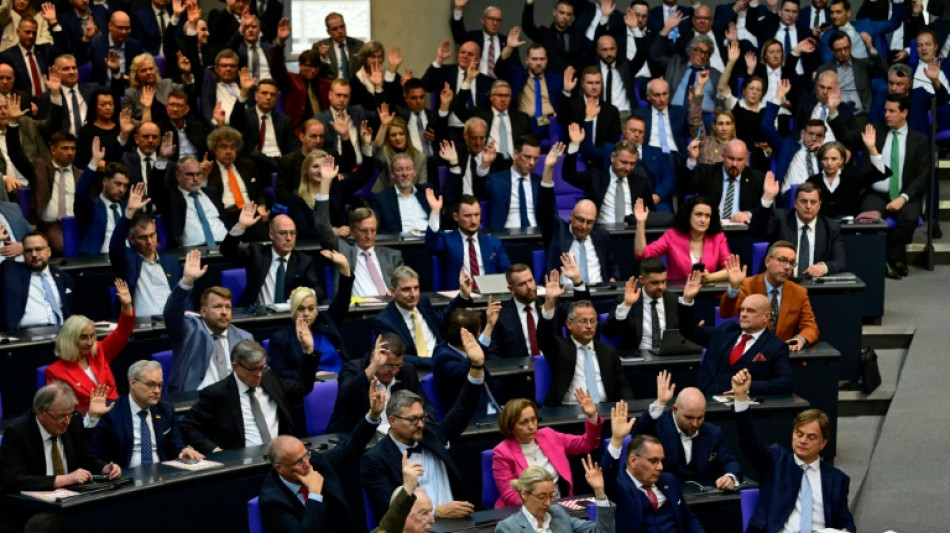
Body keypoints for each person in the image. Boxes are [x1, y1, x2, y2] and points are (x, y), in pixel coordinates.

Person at [360, 328, 486, 520]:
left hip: (460, 526)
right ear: (392, 421)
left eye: (422, 417)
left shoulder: (433, 434)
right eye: (412, 420)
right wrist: (436, 512)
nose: (420, 424)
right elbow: (387, 512)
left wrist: (476, 366)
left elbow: (463, 408)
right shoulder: (375, 460)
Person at [730, 369, 856, 533]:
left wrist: (846, 530)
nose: (803, 441)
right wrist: (741, 398)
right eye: (799, 434)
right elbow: (749, 441)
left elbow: (847, 522)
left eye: (811, 437)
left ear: (823, 443)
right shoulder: (775, 462)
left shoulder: (837, 479)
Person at [829, 93, 931, 279]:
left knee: (909, 219)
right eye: (885, 110)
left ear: (904, 113)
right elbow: (845, 136)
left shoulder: (920, 140)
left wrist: (904, 198)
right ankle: (891, 261)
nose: (886, 114)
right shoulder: (875, 130)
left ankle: (890, 257)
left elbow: (922, 175)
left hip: (903, 194)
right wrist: (834, 111)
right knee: (868, 221)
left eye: (892, 111)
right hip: (875, 193)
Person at [258, 385, 385, 532]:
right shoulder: (273, 502)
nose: (307, 464)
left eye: (306, 455)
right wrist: (314, 495)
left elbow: (351, 448)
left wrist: (373, 416)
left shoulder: (315, 462)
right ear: (279, 468)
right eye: (299, 462)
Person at [180, 338, 317, 455]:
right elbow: (187, 426)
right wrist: (214, 450)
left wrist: (308, 351)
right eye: (253, 369)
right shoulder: (216, 394)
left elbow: (302, 387)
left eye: (262, 367)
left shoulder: (269, 379)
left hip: (279, 457)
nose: (259, 374)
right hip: (241, 464)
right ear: (236, 367)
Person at [679, 269, 793, 395]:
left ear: (766, 317)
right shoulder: (726, 330)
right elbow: (688, 331)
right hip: (705, 398)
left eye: (750, 311)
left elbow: (786, 382)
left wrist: (748, 387)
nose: (743, 314)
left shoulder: (775, 346)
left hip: (740, 403)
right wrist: (687, 300)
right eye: (742, 310)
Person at [0, 383, 121, 494]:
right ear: (40, 412)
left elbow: (86, 457)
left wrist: (105, 468)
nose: (67, 421)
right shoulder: (17, 432)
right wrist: (63, 479)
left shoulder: (74, 421)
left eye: (70, 414)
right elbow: (14, 479)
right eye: (61, 416)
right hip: (34, 504)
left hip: (72, 497)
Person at [538, 268, 633, 406]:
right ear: (569, 324)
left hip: (604, 410)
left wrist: (627, 406)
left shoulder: (608, 351)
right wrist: (550, 303)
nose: (589, 326)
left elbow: (622, 386)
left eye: (592, 321)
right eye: (583, 321)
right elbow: (543, 336)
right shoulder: (559, 348)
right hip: (570, 412)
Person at [630, 371, 741, 489]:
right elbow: (637, 437)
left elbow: (730, 462)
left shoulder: (713, 433)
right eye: (689, 417)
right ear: (674, 409)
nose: (695, 423)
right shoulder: (659, 427)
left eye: (700, 417)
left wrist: (730, 477)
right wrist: (660, 403)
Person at [163, 250, 254, 392]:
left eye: (228, 307)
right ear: (203, 312)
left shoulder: (245, 338)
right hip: (196, 402)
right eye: (218, 307)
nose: (224, 312)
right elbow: (171, 314)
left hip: (234, 402)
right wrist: (187, 281)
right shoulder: (189, 330)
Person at [491, 394, 604, 508]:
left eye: (533, 419)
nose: (531, 426)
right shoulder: (502, 452)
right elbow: (511, 496)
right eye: (524, 422)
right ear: (511, 427)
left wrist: (592, 416)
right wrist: (544, 507)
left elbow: (586, 444)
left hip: (559, 508)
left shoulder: (549, 435)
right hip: (524, 513)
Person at [89, 360, 204, 469]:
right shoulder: (113, 411)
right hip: (125, 476)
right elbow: (92, 450)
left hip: (162, 474)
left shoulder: (165, 410)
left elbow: (176, 444)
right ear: (133, 383)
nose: (157, 391)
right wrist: (93, 418)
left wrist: (183, 450)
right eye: (150, 384)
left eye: (160, 385)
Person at [45, 278, 134, 414]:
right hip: (88, 422)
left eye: (92, 335)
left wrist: (127, 306)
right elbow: (60, 410)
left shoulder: (100, 351)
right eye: (83, 337)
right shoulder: (55, 372)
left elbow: (123, 333)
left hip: (117, 414)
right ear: (70, 339)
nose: (90, 342)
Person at [538, 143, 620, 284]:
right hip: (566, 298)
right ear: (571, 216)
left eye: (589, 222)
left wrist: (612, 279)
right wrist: (549, 168)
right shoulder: (558, 233)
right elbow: (545, 209)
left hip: (597, 296)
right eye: (580, 220)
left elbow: (612, 266)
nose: (584, 226)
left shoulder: (602, 236)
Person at [266, 250, 352, 378]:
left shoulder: (327, 321)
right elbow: (279, 374)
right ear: (293, 311)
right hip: (311, 389)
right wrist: (312, 376)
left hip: (342, 380)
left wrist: (344, 267)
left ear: (317, 309)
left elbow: (343, 298)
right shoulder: (281, 338)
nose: (306, 313)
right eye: (301, 309)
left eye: (311, 308)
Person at [328, 333, 435, 435]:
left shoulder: (407, 371)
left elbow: (424, 405)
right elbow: (345, 397)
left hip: (396, 437)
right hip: (356, 437)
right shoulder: (352, 369)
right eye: (388, 366)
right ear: (373, 357)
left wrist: (425, 421)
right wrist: (373, 367)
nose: (394, 371)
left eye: (398, 365)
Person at [720, 244, 820, 350]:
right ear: (767, 261)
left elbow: (810, 327)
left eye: (792, 263)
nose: (787, 267)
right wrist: (734, 288)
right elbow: (726, 313)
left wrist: (800, 339)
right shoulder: (747, 285)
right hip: (750, 354)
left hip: (781, 356)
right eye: (782, 260)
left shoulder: (799, 292)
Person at [601, 433, 706, 533]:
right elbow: (606, 477)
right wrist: (616, 441)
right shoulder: (619, 487)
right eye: (653, 461)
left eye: (661, 461)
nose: (660, 467)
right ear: (633, 460)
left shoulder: (669, 480)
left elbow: (688, 518)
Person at [220, 206, 323, 307]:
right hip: (257, 316)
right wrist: (241, 226)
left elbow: (318, 290)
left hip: (288, 317)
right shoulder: (257, 253)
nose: (288, 238)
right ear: (271, 234)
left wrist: (302, 296)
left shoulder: (304, 261)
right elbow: (227, 250)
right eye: (283, 233)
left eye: (292, 233)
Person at [108, 186, 182, 317]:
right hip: (144, 330)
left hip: (173, 325)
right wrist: (129, 213)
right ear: (132, 239)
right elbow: (115, 246)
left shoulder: (172, 262)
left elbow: (183, 298)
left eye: (152, 235)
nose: (149, 242)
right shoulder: (127, 261)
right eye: (143, 237)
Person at [372, 265, 475, 358]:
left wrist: (463, 295)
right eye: (406, 289)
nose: (413, 294)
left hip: (443, 359)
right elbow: (399, 357)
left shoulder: (422, 302)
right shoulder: (384, 321)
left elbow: (441, 321)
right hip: (417, 370)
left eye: (416, 288)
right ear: (393, 292)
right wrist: (434, 362)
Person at [753, 178, 848, 278]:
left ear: (819, 205)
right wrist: (767, 198)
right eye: (803, 201)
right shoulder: (780, 219)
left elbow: (840, 261)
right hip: (781, 283)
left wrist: (823, 267)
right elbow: (757, 231)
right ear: (795, 203)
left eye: (813, 202)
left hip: (815, 287)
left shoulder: (831, 227)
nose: (808, 206)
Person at [563, 124, 655, 225]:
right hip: (603, 234)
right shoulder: (595, 177)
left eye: (632, 164)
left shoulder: (640, 182)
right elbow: (569, 175)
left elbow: (651, 212)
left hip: (631, 233)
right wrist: (574, 145)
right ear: (612, 157)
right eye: (624, 162)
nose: (628, 168)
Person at [424, 193, 512, 291]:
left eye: (477, 215)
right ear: (456, 217)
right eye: (468, 216)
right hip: (458, 299)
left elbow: (507, 272)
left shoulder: (493, 242)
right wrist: (435, 212)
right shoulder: (447, 240)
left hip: (489, 297)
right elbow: (432, 243)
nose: (473, 221)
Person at [633, 196, 731, 282]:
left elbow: (731, 269)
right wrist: (640, 223)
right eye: (698, 215)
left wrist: (710, 277)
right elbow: (643, 255)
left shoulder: (718, 237)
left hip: (707, 295)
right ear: (688, 216)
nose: (703, 220)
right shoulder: (673, 235)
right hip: (678, 294)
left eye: (707, 216)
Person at [495, 462, 615, 532]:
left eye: (551, 496)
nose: (548, 503)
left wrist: (599, 491)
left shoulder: (558, 514)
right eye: (541, 497)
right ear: (524, 494)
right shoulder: (508, 528)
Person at [432, 307, 502, 416]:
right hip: (469, 419)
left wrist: (489, 326)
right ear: (473, 336)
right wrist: (488, 329)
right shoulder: (443, 357)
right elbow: (464, 370)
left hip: (491, 406)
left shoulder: (449, 348)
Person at [601, 258, 680, 352]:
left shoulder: (674, 300)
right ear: (642, 280)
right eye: (655, 283)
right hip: (638, 359)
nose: (661, 287)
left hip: (669, 358)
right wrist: (626, 305)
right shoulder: (627, 300)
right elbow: (608, 333)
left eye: (663, 281)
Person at [0, 231, 73, 331]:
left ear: (49, 251)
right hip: (26, 335)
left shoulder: (63, 277)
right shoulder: (10, 271)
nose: (34, 254)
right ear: (23, 253)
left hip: (62, 334)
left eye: (38, 249)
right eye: (28, 251)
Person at [684, 139, 768, 224]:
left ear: (746, 159)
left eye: (740, 160)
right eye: (731, 158)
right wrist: (691, 160)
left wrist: (749, 214)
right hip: (711, 228)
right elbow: (685, 188)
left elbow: (765, 208)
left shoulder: (757, 178)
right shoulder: (707, 172)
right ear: (723, 156)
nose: (734, 164)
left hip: (742, 231)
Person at [451, 78, 532, 163]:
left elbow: (527, 144)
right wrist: (468, 81)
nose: (503, 99)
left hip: (514, 164)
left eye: (507, 96)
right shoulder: (479, 114)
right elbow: (458, 109)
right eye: (500, 95)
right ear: (491, 97)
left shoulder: (522, 118)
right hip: (489, 163)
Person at [74, 138, 130, 256]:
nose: (121, 190)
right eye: (118, 184)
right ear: (105, 181)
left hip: (128, 261)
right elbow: (80, 193)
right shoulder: (91, 206)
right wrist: (94, 162)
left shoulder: (128, 206)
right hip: (99, 263)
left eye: (125, 186)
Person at [166, 156, 229, 248]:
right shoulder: (172, 198)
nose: (195, 179)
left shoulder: (212, 193)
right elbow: (157, 185)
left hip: (225, 247)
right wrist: (162, 159)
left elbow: (226, 220)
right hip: (193, 251)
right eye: (190, 174)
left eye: (199, 174)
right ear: (178, 176)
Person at [482, 134, 542, 229]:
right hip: (506, 237)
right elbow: (479, 191)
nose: (532, 163)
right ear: (515, 154)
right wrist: (484, 165)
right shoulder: (496, 180)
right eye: (527, 157)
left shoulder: (540, 183)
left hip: (537, 237)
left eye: (536, 158)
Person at [371, 153, 437, 234]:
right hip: (402, 244)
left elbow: (449, 198)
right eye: (399, 170)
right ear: (392, 174)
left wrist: (454, 164)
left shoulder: (426, 192)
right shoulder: (381, 199)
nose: (405, 174)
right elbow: (375, 230)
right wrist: (405, 235)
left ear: (414, 172)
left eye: (409, 169)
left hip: (431, 241)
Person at [450, 0, 514, 78]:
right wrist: (458, 9)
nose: (495, 23)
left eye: (498, 20)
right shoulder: (473, 37)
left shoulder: (508, 42)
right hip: (476, 82)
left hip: (499, 86)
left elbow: (515, 68)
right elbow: (458, 35)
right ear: (483, 20)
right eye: (491, 18)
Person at [372, 112, 430, 194]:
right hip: (385, 197)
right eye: (393, 135)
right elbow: (376, 149)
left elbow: (422, 186)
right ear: (388, 138)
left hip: (410, 198)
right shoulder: (384, 153)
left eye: (401, 134)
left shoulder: (420, 157)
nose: (397, 138)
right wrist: (383, 126)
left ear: (407, 135)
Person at [313, 12, 364, 80]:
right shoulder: (319, 47)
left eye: (342, 27)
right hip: (331, 86)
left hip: (354, 87)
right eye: (335, 29)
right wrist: (324, 58)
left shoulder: (359, 45)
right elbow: (317, 74)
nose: (340, 31)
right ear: (328, 32)